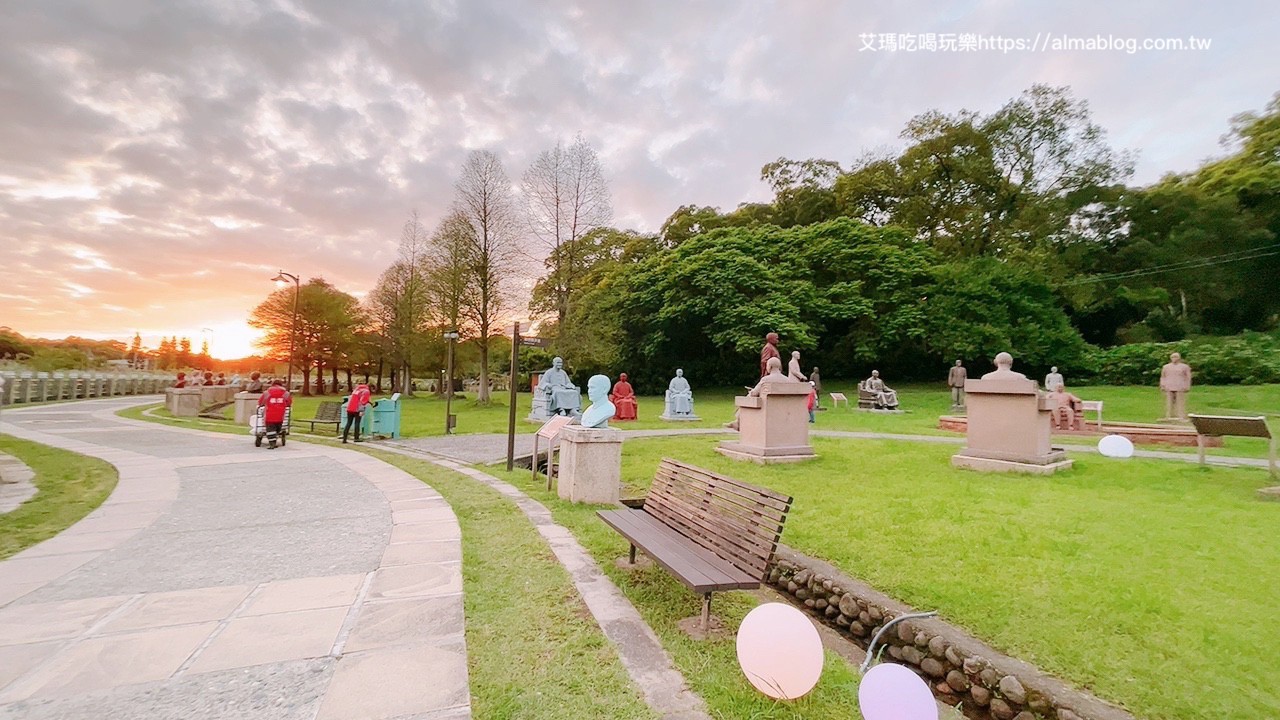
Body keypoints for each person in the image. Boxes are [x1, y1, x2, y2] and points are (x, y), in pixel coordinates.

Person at [1159, 352, 1192, 420]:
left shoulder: (1184, 367)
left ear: (1179, 358)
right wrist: (1162, 385)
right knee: (1169, 402)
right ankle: (1169, 415)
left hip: (1180, 386)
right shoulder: (1166, 367)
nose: (1174, 358)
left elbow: (1188, 377)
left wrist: (1187, 386)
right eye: (1173, 357)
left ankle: (1181, 415)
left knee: (1180, 401)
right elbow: (1163, 377)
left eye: (1176, 357)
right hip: (1169, 386)